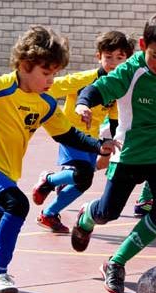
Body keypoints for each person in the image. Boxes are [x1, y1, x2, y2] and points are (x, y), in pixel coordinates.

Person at [0, 25, 118, 293]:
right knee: (17, 204)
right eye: (46, 73)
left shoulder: (44, 102)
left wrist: (97, 145)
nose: (51, 80)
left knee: (2, 221)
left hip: (7, 171)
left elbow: (66, 134)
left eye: (54, 73)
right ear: (24, 65)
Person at [71, 6, 156, 293]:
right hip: (130, 153)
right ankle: (87, 216)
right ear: (142, 46)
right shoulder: (129, 72)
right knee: (108, 213)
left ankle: (116, 262)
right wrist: (82, 104)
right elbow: (96, 89)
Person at [31, 31, 135, 233]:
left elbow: (114, 117)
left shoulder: (117, 87)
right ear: (99, 57)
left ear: (127, 59)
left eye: (120, 58)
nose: (113, 62)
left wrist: (111, 141)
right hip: (70, 133)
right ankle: (49, 180)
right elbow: (49, 88)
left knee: (84, 181)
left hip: (91, 139)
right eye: (108, 57)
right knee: (83, 173)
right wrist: (48, 113)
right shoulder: (83, 79)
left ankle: (49, 214)